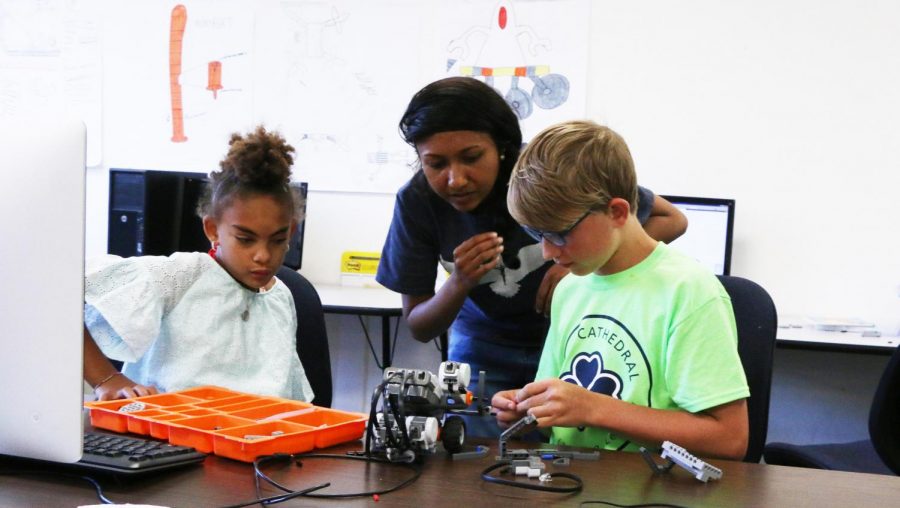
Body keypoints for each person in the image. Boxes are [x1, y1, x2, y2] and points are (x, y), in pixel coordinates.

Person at [376, 77, 688, 438]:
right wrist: (459, 282)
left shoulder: (546, 174)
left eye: (472, 157)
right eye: (435, 163)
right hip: (482, 346)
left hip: (569, 339)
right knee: (477, 460)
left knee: (572, 455)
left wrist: (579, 266)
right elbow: (418, 326)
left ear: (503, 147)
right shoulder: (417, 201)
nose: (455, 179)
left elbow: (672, 220)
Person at [492, 120, 749, 460]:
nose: (547, 253)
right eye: (537, 235)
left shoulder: (689, 292)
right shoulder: (570, 290)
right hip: (572, 480)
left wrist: (594, 409)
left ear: (616, 212)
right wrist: (526, 411)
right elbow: (560, 411)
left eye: (558, 234)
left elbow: (729, 439)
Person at [83, 126, 314, 403]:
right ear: (213, 229)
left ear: (290, 232)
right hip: (167, 435)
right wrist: (107, 379)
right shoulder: (178, 277)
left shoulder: (281, 298)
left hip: (253, 439)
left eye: (276, 240)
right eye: (245, 239)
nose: (263, 255)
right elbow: (61, 293)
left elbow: (287, 400)